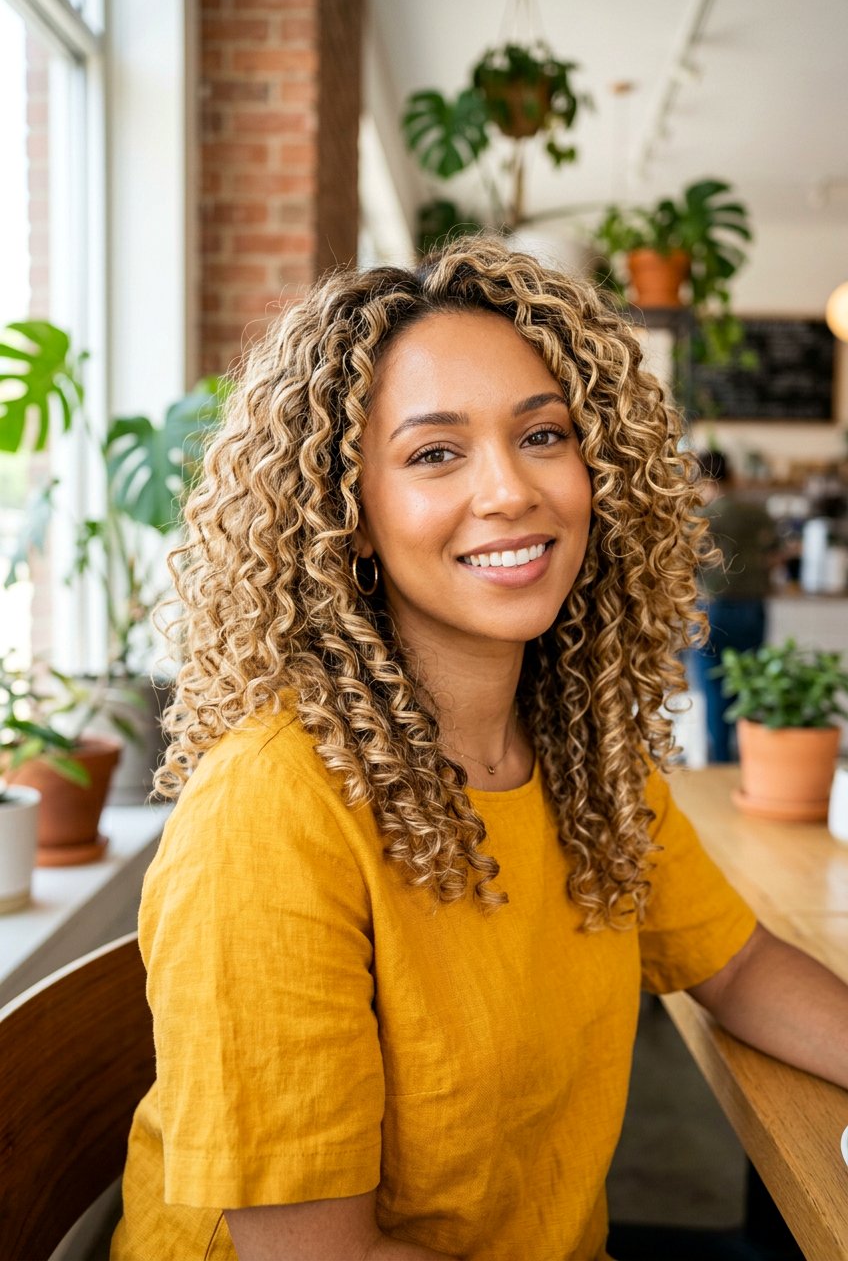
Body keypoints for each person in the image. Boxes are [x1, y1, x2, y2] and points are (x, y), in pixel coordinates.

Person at [111, 237, 848, 1261]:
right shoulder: (268, 810)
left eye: (542, 434)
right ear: (348, 518)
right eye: (433, 453)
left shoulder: (583, 754)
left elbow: (735, 966)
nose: (510, 491)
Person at [690, 449, 779, 762]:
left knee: (713, 688)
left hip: (712, 608)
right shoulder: (757, 513)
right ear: (734, 475)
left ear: (701, 478)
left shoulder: (700, 517)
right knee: (748, 686)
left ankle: (720, 760)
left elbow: (681, 562)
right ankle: (750, 758)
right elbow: (777, 552)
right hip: (753, 605)